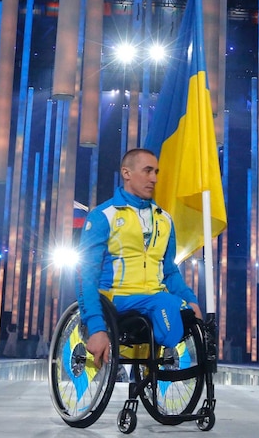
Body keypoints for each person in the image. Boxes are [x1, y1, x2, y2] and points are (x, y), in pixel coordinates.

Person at [76, 148, 202, 368]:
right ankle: (165, 342)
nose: (153, 178)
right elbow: (86, 276)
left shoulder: (164, 220)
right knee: (166, 303)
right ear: (126, 173)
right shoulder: (103, 216)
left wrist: (191, 300)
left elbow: (169, 270)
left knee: (188, 312)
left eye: (156, 172)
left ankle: (156, 361)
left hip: (153, 298)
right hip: (116, 299)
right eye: (147, 171)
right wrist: (96, 327)